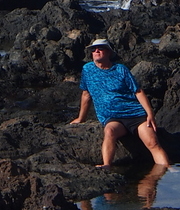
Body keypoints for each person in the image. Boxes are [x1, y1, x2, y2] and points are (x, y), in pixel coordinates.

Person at [70, 38, 170, 168]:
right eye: (93, 49)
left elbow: (138, 91)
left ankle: (168, 170)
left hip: (135, 115)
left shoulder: (120, 69)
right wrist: (81, 118)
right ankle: (106, 165)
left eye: (100, 48)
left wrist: (150, 114)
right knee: (109, 131)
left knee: (153, 142)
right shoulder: (87, 70)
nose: (96, 51)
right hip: (113, 118)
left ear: (109, 52)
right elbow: (86, 94)